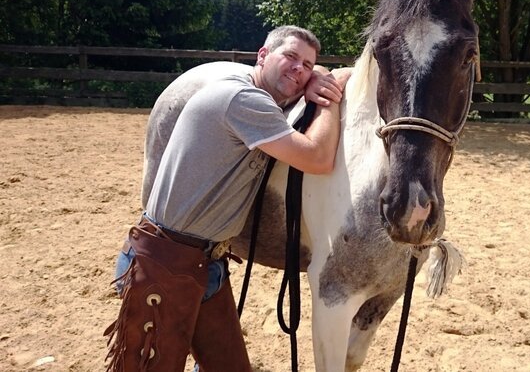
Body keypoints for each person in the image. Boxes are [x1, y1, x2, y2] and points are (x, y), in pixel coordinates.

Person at [104, 26, 350, 372]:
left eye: (307, 64)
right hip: (167, 265)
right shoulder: (243, 100)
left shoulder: (258, 98)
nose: (299, 69)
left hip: (206, 266)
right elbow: (318, 159)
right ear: (262, 55)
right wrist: (328, 99)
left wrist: (318, 76)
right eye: (291, 57)